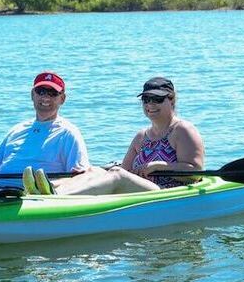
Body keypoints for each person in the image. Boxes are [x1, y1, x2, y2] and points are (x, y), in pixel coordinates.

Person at [53, 76, 204, 195]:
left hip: (167, 194)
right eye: (146, 99)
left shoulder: (182, 130)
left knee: (118, 174)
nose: (150, 104)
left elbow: (195, 173)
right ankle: (52, 190)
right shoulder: (141, 136)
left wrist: (159, 166)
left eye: (157, 99)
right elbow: (126, 169)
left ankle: (61, 198)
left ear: (171, 100)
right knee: (95, 170)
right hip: (142, 192)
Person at [0, 71, 91, 193]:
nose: (45, 97)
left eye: (52, 93)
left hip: (37, 195)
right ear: (32, 95)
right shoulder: (17, 130)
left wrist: (56, 188)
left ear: (62, 99)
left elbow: (80, 176)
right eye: (41, 91)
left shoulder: (68, 133)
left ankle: (42, 189)